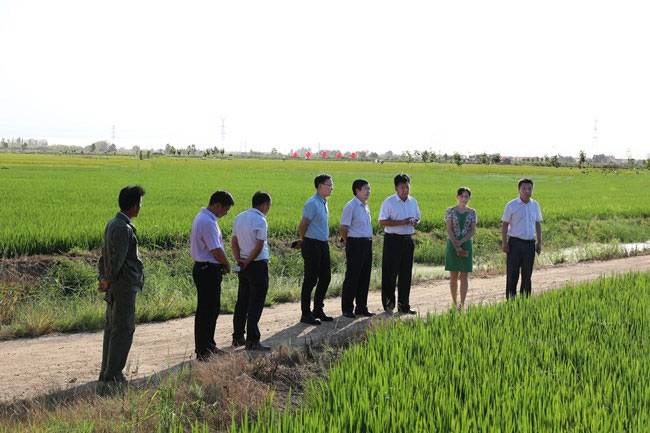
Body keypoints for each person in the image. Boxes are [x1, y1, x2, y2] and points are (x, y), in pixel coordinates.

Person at [98, 185, 146, 383]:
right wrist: (107, 278)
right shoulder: (123, 227)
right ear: (134, 205)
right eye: (140, 203)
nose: (141, 207)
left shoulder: (113, 223)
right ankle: (114, 374)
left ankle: (107, 371)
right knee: (123, 328)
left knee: (113, 328)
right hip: (123, 284)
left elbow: (104, 255)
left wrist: (104, 278)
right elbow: (116, 259)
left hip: (114, 284)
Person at [190, 190, 234, 361]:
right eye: (225, 209)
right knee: (207, 310)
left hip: (205, 268)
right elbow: (215, 249)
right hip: (207, 270)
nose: (225, 213)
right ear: (217, 205)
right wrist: (227, 263)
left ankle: (208, 346)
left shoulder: (203, 218)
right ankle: (204, 350)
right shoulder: (207, 222)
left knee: (209, 309)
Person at [231, 191, 272, 351]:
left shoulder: (239, 217)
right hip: (257, 264)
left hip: (243, 264)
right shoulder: (260, 220)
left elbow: (234, 241)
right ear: (264, 205)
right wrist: (248, 261)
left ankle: (237, 336)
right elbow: (259, 245)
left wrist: (239, 260)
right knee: (256, 302)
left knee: (242, 301)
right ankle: (253, 340)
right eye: (269, 205)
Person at [379, 173, 421, 314]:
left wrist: (415, 222)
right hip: (393, 240)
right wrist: (402, 222)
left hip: (408, 239)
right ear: (396, 188)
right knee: (390, 274)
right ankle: (388, 306)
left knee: (406, 274)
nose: (405, 190)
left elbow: (418, 217)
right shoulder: (389, 202)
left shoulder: (413, 201)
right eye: (402, 187)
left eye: (407, 187)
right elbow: (382, 221)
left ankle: (404, 306)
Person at [297, 174, 334, 325]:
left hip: (323, 244)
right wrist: (303, 239)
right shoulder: (312, 203)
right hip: (312, 244)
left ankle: (318, 309)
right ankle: (306, 313)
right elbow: (303, 224)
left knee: (325, 277)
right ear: (319, 186)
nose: (331, 187)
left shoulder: (323, 202)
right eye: (329, 185)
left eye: (332, 185)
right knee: (311, 279)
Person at [501, 178, 543, 299]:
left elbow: (538, 223)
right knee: (512, 273)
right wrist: (504, 242)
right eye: (524, 189)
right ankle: (511, 300)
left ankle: (525, 300)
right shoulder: (511, 205)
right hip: (515, 243)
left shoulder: (535, 205)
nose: (527, 191)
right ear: (519, 190)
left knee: (527, 274)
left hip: (530, 244)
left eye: (530, 189)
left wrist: (539, 242)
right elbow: (505, 224)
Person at [339, 179, 375, 318]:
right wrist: (348, 241)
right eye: (366, 189)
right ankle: (347, 308)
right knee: (352, 276)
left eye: (369, 188)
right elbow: (343, 227)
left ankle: (361, 307)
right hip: (355, 243)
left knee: (364, 276)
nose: (368, 191)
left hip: (367, 243)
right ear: (357, 190)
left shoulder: (365, 206)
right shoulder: (351, 206)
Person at [444, 187, 477, 313]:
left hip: (466, 244)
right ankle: (454, 303)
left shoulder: (472, 212)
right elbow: (449, 229)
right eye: (462, 196)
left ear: (469, 198)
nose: (464, 199)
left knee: (464, 275)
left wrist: (461, 242)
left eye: (466, 196)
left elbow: (472, 230)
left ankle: (462, 305)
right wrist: (456, 245)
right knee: (453, 275)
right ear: (457, 197)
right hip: (452, 244)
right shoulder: (450, 211)